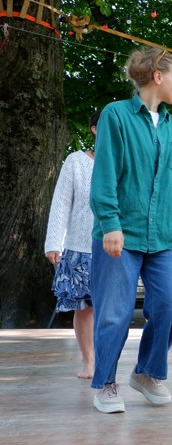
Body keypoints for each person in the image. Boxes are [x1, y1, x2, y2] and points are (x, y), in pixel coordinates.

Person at [89, 47, 172, 414]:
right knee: (114, 313)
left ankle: (147, 372)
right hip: (122, 232)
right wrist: (110, 223)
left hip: (165, 235)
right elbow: (104, 175)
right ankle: (105, 383)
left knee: (170, 306)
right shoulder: (115, 116)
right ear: (157, 76)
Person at [44, 110, 99, 379]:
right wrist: (54, 241)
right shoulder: (76, 161)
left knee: (110, 308)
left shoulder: (125, 162)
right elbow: (61, 202)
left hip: (114, 248)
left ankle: (106, 359)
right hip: (79, 247)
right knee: (84, 308)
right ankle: (89, 360)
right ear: (95, 129)